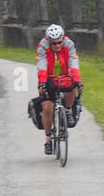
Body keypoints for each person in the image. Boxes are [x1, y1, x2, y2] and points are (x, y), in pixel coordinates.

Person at [30, 23, 82, 155]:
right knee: (47, 107)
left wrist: (77, 79)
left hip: (64, 75)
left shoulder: (68, 44)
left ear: (62, 39)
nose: (57, 46)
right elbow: (41, 65)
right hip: (48, 78)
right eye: (54, 43)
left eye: (59, 42)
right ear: (48, 41)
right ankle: (48, 140)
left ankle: (68, 110)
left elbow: (73, 61)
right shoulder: (43, 46)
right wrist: (42, 83)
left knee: (72, 85)